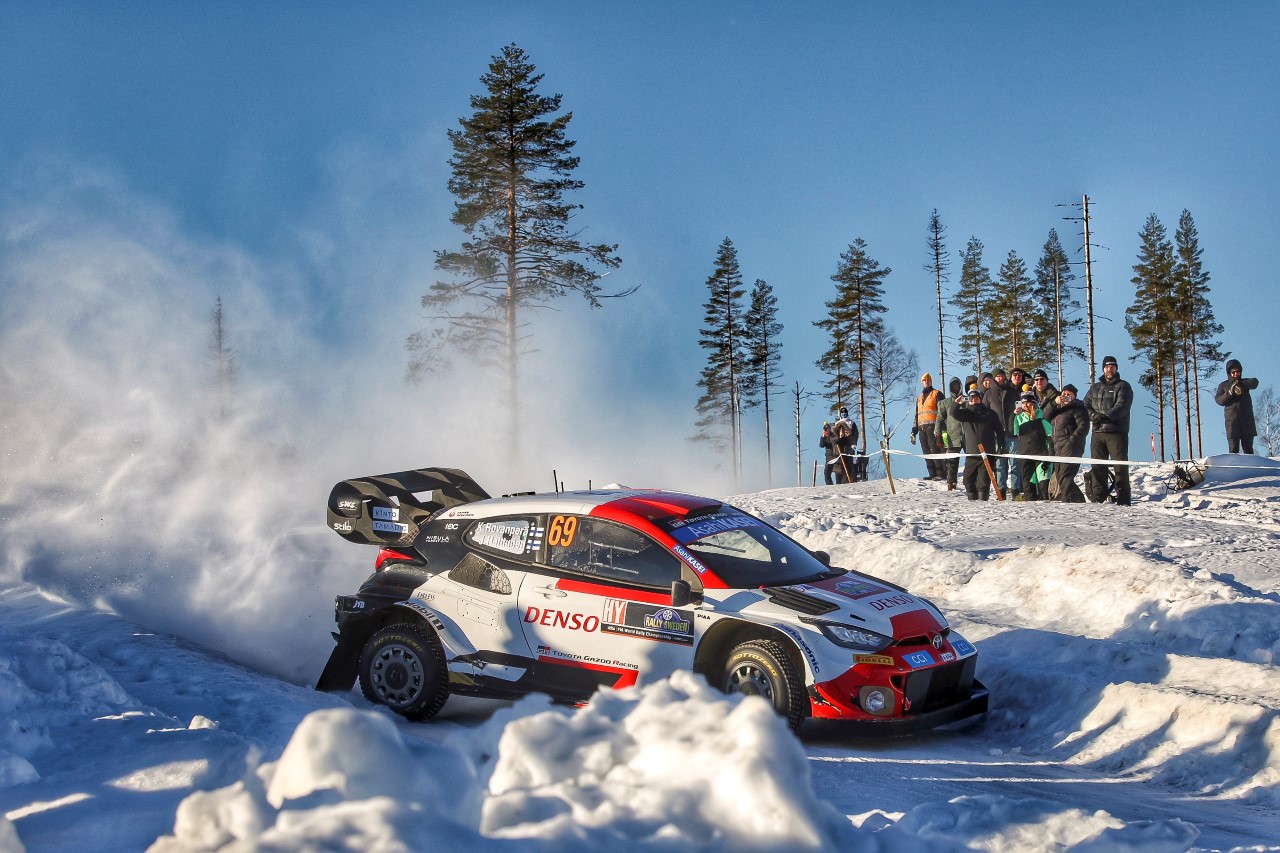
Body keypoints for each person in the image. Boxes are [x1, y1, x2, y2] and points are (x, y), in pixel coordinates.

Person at [1083, 355, 1134, 505]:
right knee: (1097, 466)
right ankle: (1098, 499)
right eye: (1106, 367)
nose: (1109, 369)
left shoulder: (1124, 386)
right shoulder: (1095, 388)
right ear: (1103, 369)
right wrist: (1094, 416)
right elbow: (1085, 405)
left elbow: (1122, 406)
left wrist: (1106, 417)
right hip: (1097, 433)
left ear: (1116, 368)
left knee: (1120, 467)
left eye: (1112, 366)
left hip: (1116, 433)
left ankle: (1123, 500)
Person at [952, 386, 1007, 501]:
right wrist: (956, 404)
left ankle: (983, 505)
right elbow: (954, 413)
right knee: (967, 480)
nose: (974, 400)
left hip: (987, 454)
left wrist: (1001, 445)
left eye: (976, 398)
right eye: (971, 398)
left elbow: (999, 431)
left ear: (980, 399)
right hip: (972, 454)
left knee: (983, 482)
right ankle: (973, 504)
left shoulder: (990, 413)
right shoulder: (966, 414)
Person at [1043, 383, 1089, 502]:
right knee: (1059, 476)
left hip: (1072, 445)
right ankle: (1078, 499)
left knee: (1066, 474)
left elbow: (1084, 426)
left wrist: (1072, 440)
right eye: (1064, 393)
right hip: (1057, 446)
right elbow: (1045, 415)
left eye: (1069, 394)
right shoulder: (1058, 409)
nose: (1066, 396)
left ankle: (1066, 501)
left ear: (1074, 396)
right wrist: (1054, 403)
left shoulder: (1078, 407)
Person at [1010, 391, 1052, 500]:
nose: (1025, 405)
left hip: (1042, 455)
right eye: (1023, 403)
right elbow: (1012, 431)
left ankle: (1046, 505)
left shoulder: (1042, 417)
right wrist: (1013, 415)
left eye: (1028, 402)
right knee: (1028, 485)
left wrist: (1051, 452)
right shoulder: (1019, 417)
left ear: (1033, 403)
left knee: (1044, 484)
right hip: (1025, 455)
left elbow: (1051, 435)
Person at [1214, 359, 1259, 454]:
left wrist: (1241, 385)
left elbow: (1255, 382)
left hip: (1246, 421)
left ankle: (1250, 464)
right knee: (1233, 450)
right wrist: (1230, 393)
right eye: (1233, 372)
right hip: (1232, 422)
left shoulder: (1245, 383)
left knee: (1248, 450)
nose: (1236, 374)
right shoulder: (1224, 385)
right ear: (1229, 373)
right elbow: (1219, 400)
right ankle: (1233, 464)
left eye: (1238, 372)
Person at [983, 369, 1013, 497]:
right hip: (996, 435)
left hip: (1012, 433)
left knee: (1015, 464)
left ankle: (1016, 491)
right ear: (994, 379)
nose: (1000, 379)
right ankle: (1001, 491)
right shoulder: (989, 394)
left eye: (1001, 376)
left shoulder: (1012, 391)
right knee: (1000, 464)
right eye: (997, 377)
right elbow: (983, 413)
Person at [933, 377, 965, 490]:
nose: (955, 388)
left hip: (968, 436)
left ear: (960, 386)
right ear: (950, 388)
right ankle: (951, 483)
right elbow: (939, 419)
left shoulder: (967, 400)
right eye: (953, 386)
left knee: (973, 460)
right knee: (952, 462)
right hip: (953, 437)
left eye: (957, 385)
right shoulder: (945, 403)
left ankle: (974, 483)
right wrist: (938, 435)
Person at [912, 373, 945, 480]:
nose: (926, 381)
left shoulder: (937, 394)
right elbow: (917, 415)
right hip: (921, 428)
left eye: (928, 380)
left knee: (935, 449)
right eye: (924, 380)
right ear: (922, 382)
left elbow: (943, 412)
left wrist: (941, 428)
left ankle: (940, 473)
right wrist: (914, 431)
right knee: (926, 452)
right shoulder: (919, 398)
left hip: (934, 427)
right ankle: (932, 473)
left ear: (931, 381)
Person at [833, 406, 859, 482]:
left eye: (845, 412)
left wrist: (852, 440)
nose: (844, 414)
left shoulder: (851, 423)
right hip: (839, 450)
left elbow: (856, 434)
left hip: (849, 449)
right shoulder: (837, 424)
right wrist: (839, 436)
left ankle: (849, 482)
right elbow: (834, 438)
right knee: (839, 471)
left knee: (849, 469)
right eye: (842, 413)